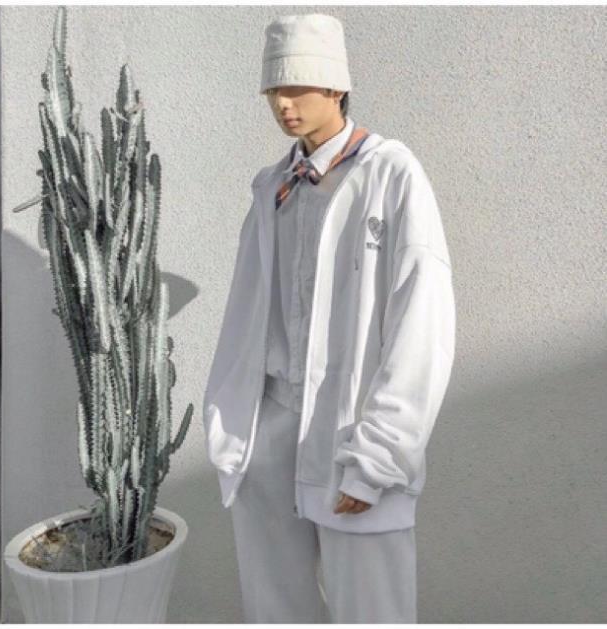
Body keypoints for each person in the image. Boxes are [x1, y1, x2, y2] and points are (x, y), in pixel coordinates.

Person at [202, 13, 456, 623]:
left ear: (336, 86)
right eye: (273, 89)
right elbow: (247, 315)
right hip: (268, 434)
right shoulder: (272, 188)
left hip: (351, 434)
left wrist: (381, 456)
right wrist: (233, 435)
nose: (283, 104)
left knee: (372, 610)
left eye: (296, 87)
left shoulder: (391, 174)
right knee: (275, 610)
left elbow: (423, 324)